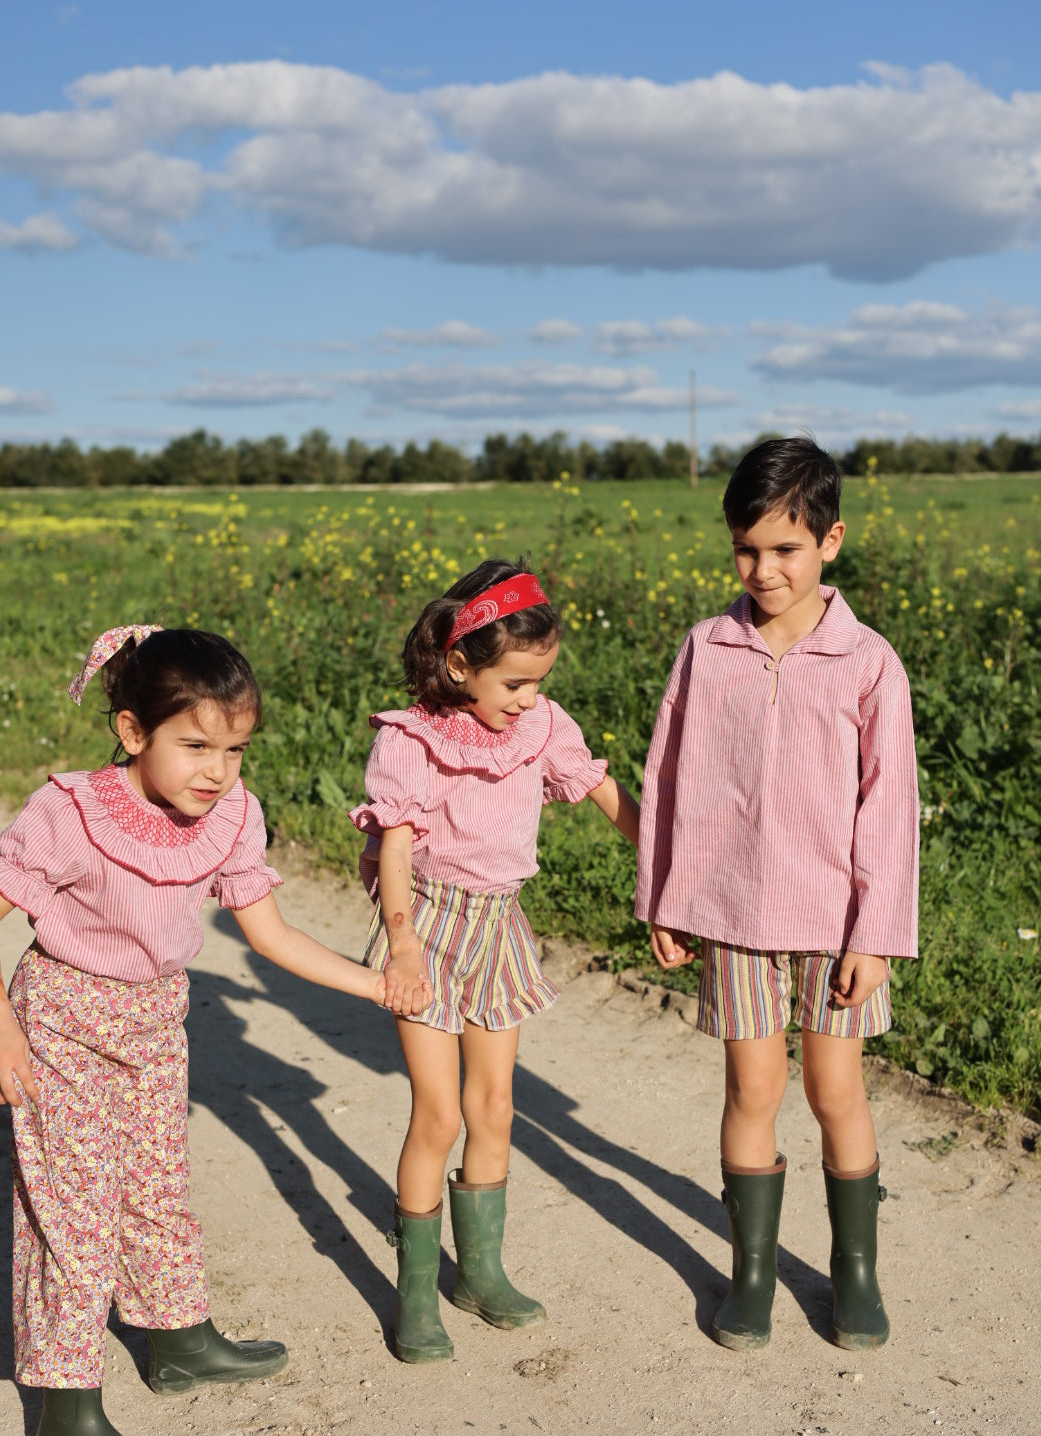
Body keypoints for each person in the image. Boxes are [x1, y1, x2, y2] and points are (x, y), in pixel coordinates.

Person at [0, 625, 385, 1436]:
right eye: (193, 745)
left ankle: (178, 1340)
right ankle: (66, 1402)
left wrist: (375, 987)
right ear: (130, 732)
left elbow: (267, 934)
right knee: (73, 1212)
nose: (216, 770)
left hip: (158, 1023)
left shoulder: (229, 815)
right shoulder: (70, 813)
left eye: (234, 748)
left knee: (156, 1185)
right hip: (64, 1025)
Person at [636, 438, 918, 1352]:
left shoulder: (868, 662)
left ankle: (855, 1274)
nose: (763, 570)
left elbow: (890, 807)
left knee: (837, 1091)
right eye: (746, 550)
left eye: (785, 549)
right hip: (733, 915)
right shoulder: (706, 648)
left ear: (830, 541)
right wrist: (664, 897)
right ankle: (751, 1272)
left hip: (836, 924)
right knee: (752, 1087)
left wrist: (875, 933)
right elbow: (667, 777)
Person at [351, 559, 639, 1364]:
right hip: (430, 928)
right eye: (513, 682)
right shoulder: (411, 741)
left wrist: (664, 867)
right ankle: (414, 1296)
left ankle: (479, 1272)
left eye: (539, 681)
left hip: (499, 927)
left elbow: (598, 790)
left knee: (496, 1107)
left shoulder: (542, 727)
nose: (527, 699)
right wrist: (402, 940)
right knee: (437, 1115)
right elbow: (398, 848)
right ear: (458, 664)